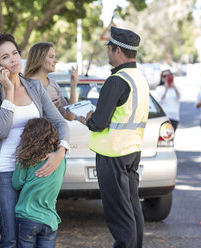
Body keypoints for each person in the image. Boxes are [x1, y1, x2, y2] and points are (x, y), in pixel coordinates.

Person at [0, 33, 70, 248]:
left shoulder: (35, 87)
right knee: (10, 239)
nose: (13, 60)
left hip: (34, 169)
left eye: (15, 53)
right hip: (4, 172)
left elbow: (60, 123)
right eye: (6, 57)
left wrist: (60, 152)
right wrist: (8, 91)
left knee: (33, 234)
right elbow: (0, 130)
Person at [78, 26, 149, 248]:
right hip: (131, 152)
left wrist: (84, 118)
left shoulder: (116, 80)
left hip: (112, 155)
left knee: (119, 214)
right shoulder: (139, 78)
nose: (107, 52)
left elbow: (98, 123)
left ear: (117, 50)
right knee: (132, 207)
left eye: (109, 48)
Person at [12, 118, 66, 248]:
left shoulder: (26, 158)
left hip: (27, 217)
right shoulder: (60, 160)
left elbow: (16, 184)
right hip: (49, 219)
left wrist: (17, 166)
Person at [24, 42, 78, 121]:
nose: (55, 61)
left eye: (54, 57)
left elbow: (69, 116)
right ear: (39, 59)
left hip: (54, 133)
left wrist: (73, 87)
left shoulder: (53, 84)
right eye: (51, 57)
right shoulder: (26, 85)